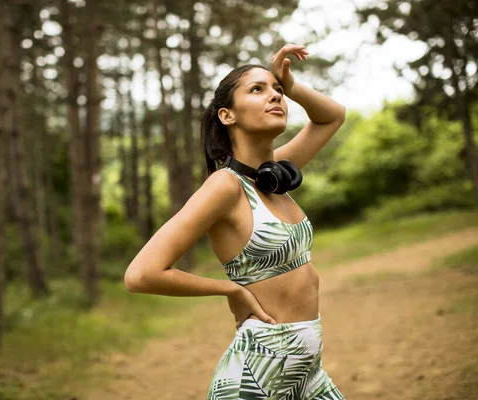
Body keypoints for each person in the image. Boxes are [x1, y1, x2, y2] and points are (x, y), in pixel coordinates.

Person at [124, 43, 346, 399]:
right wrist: (230, 288)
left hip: (307, 370)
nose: (274, 96)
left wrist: (291, 84)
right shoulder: (225, 186)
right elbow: (140, 274)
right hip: (256, 376)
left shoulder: (273, 176)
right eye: (257, 89)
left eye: (276, 91)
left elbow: (332, 116)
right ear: (227, 115)